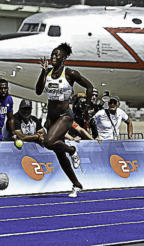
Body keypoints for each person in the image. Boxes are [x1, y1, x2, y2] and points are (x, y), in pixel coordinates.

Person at [36, 43, 94, 198]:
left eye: (57, 55)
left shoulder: (70, 73)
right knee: (59, 153)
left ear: (64, 58)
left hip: (65, 116)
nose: (53, 57)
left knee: (48, 142)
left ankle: (72, 150)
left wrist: (87, 107)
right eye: (52, 54)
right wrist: (43, 71)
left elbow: (89, 87)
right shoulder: (47, 72)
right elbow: (38, 91)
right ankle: (76, 184)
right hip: (51, 117)